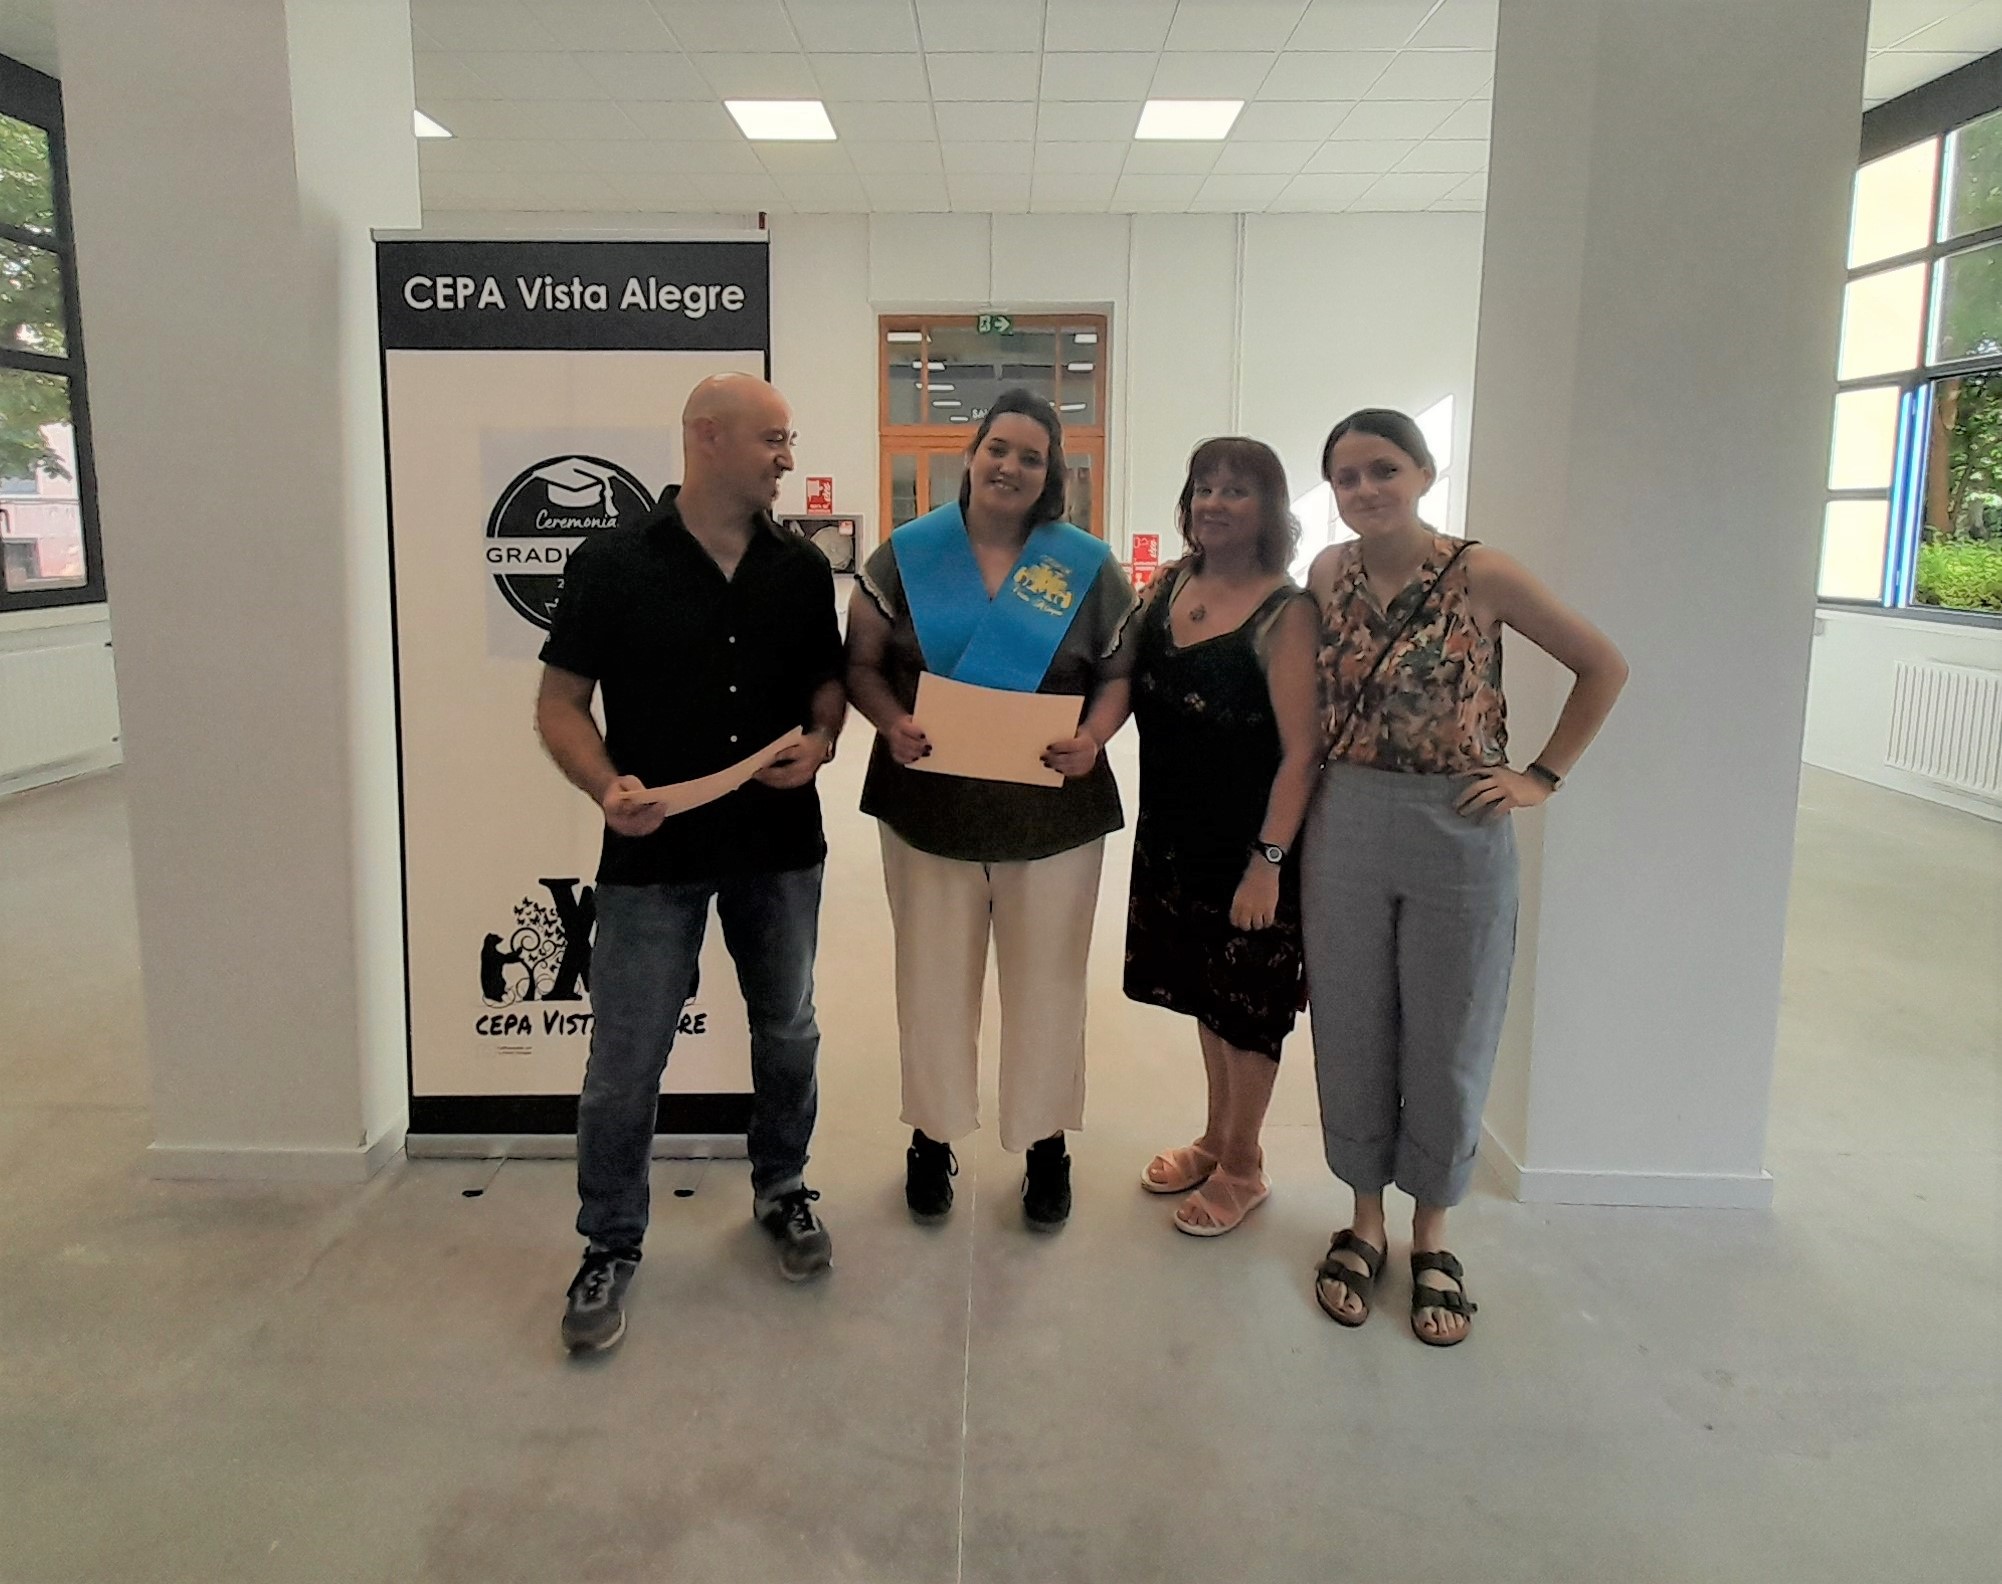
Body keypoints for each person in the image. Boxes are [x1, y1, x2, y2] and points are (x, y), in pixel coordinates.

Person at [1303, 407, 1628, 1347]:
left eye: (1384, 468)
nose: (1365, 488)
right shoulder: (1327, 572)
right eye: (1347, 476)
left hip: (1460, 824)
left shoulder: (1482, 573)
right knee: (1352, 1021)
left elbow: (1602, 665)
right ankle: (1364, 1219)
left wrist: (1541, 776)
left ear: (1425, 473)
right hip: (1345, 817)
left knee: (1452, 1029)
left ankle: (1433, 1231)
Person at [535, 374, 846, 1353]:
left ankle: (783, 1187)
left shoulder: (801, 569)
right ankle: (608, 1241)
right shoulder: (610, 562)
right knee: (623, 1064)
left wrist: (823, 742)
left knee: (787, 1030)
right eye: (773, 440)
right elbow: (559, 705)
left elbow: (828, 689)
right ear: (708, 437)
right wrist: (604, 786)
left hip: (778, 848)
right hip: (652, 852)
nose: (788, 458)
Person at [846, 388, 1132, 1232]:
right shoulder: (907, 556)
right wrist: (889, 722)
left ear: (1052, 474)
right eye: (997, 448)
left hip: (1053, 816)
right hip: (927, 810)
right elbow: (861, 665)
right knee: (931, 981)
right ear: (972, 454)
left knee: (1049, 986)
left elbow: (1118, 675)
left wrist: (1094, 737)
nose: (1010, 466)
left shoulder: (1085, 566)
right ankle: (931, 1135)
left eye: (1030, 457)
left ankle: (1046, 1142)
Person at [1113, 438, 1320, 1236]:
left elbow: (1303, 751)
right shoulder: (1171, 585)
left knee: (1247, 1009)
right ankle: (1215, 1138)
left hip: (1252, 847)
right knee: (1207, 994)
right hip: (1174, 838)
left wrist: (1267, 864)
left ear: (1269, 509)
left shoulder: (1286, 611)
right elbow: (1116, 678)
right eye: (1204, 488)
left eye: (1236, 490)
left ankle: (1245, 1165)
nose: (1214, 503)